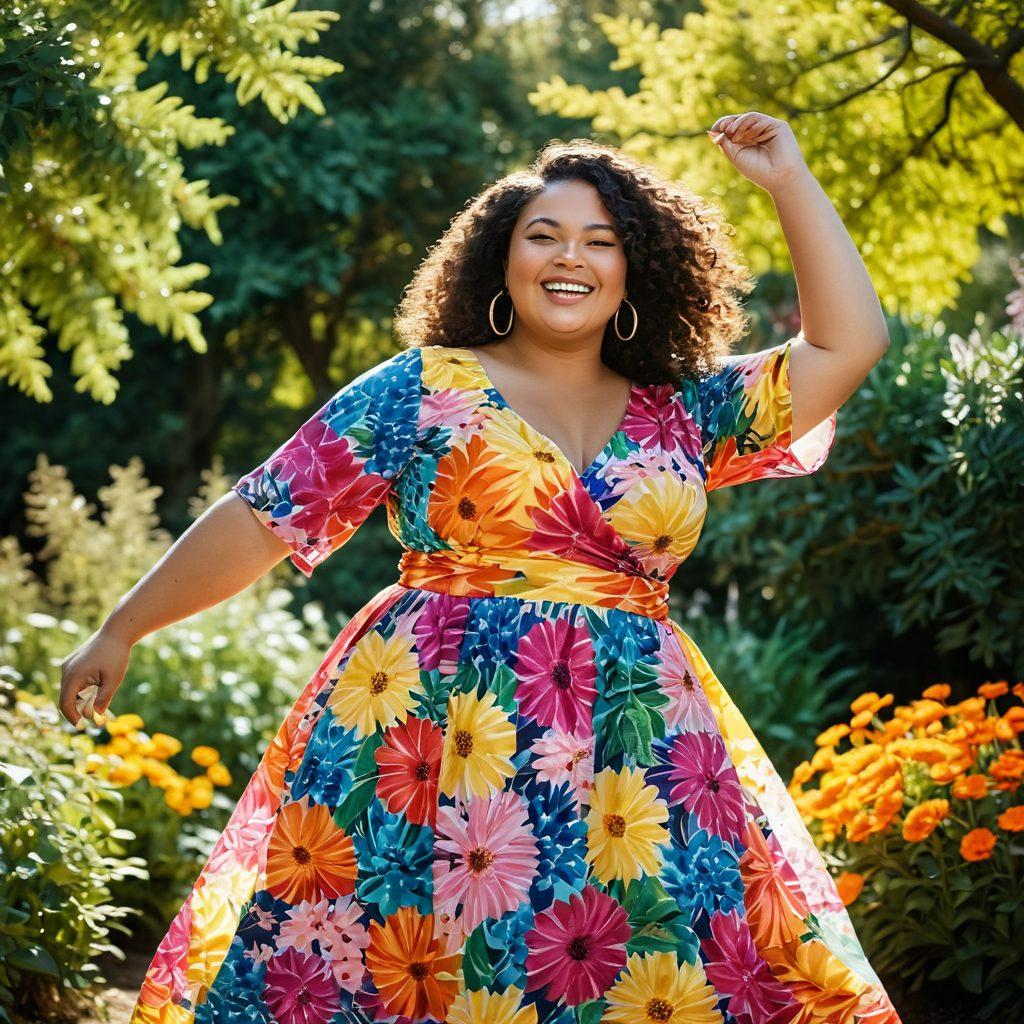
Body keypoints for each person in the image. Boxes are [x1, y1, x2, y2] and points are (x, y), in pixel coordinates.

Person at [61, 112, 901, 1023]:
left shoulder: (688, 409)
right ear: (502, 260)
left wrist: (789, 182)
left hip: (639, 753)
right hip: (430, 735)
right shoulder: (423, 387)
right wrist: (122, 626)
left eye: (600, 240)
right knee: (406, 975)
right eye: (542, 235)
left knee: (635, 976)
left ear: (635, 269)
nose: (567, 256)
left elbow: (848, 345)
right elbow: (265, 515)